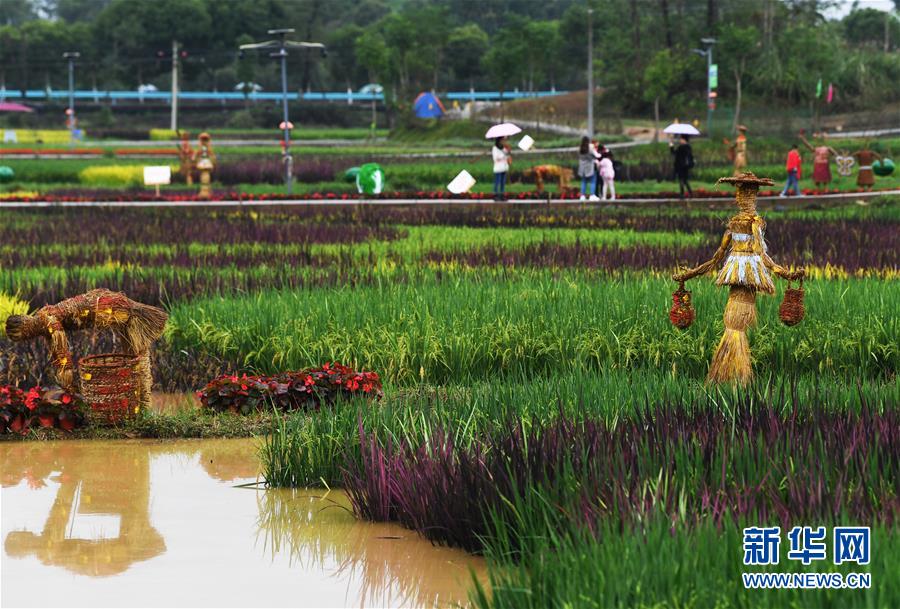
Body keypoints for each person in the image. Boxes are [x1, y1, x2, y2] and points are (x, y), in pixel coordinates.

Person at [670, 135, 694, 199]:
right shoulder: (688, 147)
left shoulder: (681, 147)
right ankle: (690, 193)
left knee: (681, 180)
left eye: (681, 139)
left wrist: (671, 145)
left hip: (680, 166)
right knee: (685, 180)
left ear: (684, 140)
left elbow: (674, 153)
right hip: (686, 166)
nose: (680, 140)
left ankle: (682, 194)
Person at [578, 136, 599, 201]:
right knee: (593, 181)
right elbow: (596, 155)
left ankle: (582, 196)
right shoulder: (591, 147)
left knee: (583, 181)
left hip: (582, 167)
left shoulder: (580, 148)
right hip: (590, 167)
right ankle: (592, 195)